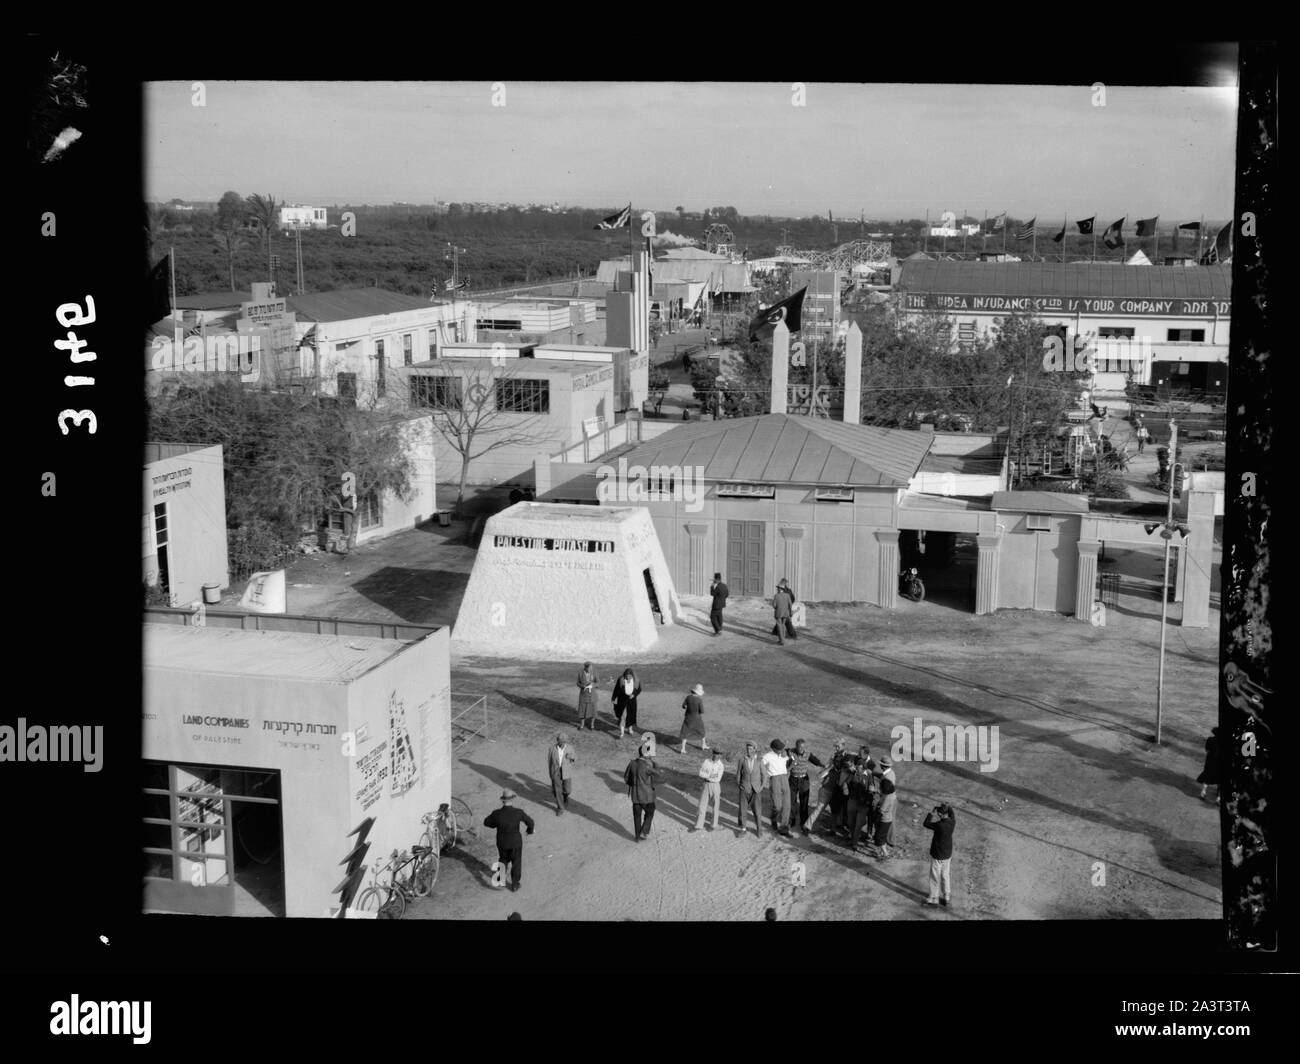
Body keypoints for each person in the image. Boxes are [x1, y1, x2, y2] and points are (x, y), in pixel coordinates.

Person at [483, 790, 535, 893]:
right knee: (516, 863)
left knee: (503, 860)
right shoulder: (518, 812)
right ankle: (515, 884)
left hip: (502, 842)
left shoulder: (497, 814)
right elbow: (531, 822)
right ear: (512, 799)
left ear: (502, 800)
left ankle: (501, 880)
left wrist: (495, 824)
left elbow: (486, 822)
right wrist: (529, 831)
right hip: (515, 842)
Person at [804, 738, 848, 833]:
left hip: (836, 789)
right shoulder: (833, 758)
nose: (836, 748)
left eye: (838, 746)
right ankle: (807, 826)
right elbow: (822, 773)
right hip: (828, 788)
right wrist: (830, 767)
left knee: (835, 810)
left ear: (843, 745)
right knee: (820, 808)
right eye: (835, 746)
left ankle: (833, 829)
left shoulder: (846, 758)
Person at [786, 739, 824, 835]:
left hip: (804, 780)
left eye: (803, 747)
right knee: (792, 801)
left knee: (804, 802)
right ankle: (792, 820)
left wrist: (822, 765)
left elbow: (815, 760)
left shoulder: (807, 754)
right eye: (799, 747)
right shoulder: (791, 752)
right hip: (793, 779)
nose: (801, 749)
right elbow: (784, 750)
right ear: (796, 746)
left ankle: (803, 823)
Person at [923, 802, 957, 908]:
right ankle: (947, 897)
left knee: (934, 876)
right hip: (947, 854)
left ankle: (934, 898)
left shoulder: (939, 825)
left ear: (940, 815)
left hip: (937, 855)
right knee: (945, 875)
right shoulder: (952, 822)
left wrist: (931, 813)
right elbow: (952, 814)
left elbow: (926, 823)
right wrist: (946, 807)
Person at [623, 747, 658, 841]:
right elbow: (659, 777)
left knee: (637, 816)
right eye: (649, 753)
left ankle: (637, 837)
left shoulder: (632, 763)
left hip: (635, 795)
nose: (651, 754)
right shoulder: (648, 765)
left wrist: (634, 784)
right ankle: (644, 831)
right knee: (650, 811)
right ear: (645, 754)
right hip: (647, 796)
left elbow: (626, 778)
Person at [762, 740, 793, 837]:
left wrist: (789, 755)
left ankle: (784, 829)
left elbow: (793, 759)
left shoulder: (784, 754)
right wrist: (764, 775)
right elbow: (760, 764)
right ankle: (774, 818)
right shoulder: (767, 756)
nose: (781, 750)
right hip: (774, 779)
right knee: (777, 806)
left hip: (784, 778)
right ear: (774, 749)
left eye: (782, 748)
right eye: (780, 749)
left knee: (787, 806)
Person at [844, 756, 873, 852]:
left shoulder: (869, 776)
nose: (858, 769)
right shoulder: (853, 774)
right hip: (852, 801)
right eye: (857, 767)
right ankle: (853, 839)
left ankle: (854, 843)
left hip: (863, 804)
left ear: (864, 768)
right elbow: (846, 783)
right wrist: (845, 788)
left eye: (860, 768)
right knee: (851, 822)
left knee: (858, 824)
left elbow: (871, 789)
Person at [736, 741, 765, 837]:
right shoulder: (742, 760)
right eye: (747, 748)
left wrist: (761, 787)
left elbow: (764, 775)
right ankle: (743, 829)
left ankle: (759, 829)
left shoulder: (759, 761)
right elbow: (739, 772)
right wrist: (738, 784)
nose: (748, 750)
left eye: (751, 749)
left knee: (757, 810)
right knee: (743, 810)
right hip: (744, 788)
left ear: (754, 749)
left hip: (756, 790)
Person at [694, 747, 725, 831]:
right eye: (716, 753)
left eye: (719, 754)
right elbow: (700, 773)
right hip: (706, 784)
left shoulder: (721, 765)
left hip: (715, 786)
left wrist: (707, 774)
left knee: (715, 806)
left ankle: (713, 825)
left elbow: (717, 778)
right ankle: (698, 825)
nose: (717, 756)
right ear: (713, 753)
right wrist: (710, 775)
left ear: (721, 755)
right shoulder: (706, 761)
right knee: (702, 805)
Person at [546, 731, 576, 816]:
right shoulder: (552, 749)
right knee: (557, 790)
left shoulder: (570, 748)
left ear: (565, 741)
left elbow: (575, 758)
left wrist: (571, 757)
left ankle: (565, 797)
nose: (561, 743)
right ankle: (560, 807)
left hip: (566, 772)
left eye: (562, 741)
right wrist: (551, 774)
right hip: (556, 771)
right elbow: (549, 762)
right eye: (559, 741)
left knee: (567, 790)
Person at [873, 757, 897, 858]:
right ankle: (885, 844)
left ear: (883, 766)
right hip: (888, 802)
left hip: (886, 808)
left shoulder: (888, 778)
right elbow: (882, 776)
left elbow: (882, 809)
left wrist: (876, 791)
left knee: (883, 829)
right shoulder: (889, 773)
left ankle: (889, 841)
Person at [611, 668, 642, 739]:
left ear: (632, 676)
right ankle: (622, 733)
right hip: (622, 701)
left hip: (632, 702)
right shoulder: (621, 680)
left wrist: (634, 694)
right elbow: (616, 689)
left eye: (630, 676)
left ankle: (630, 729)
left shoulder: (636, 680)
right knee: (622, 716)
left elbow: (639, 690)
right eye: (627, 676)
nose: (628, 677)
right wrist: (613, 698)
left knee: (631, 715)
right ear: (625, 675)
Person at [679, 683, 708, 754]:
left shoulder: (688, 697)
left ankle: (683, 748)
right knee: (701, 731)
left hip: (688, 718)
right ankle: (703, 745)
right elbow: (702, 711)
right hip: (697, 719)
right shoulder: (699, 700)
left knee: (685, 732)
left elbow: (683, 706)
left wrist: (688, 708)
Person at [1197, 726, 1221, 800]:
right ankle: (1218, 798)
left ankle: (1203, 793)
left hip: (1210, 762)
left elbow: (1207, 750)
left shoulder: (1210, 740)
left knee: (1207, 777)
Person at [575, 662, 599, 731]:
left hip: (592, 695)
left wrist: (592, 685)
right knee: (582, 710)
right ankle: (582, 725)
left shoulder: (594, 672)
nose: (591, 669)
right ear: (585, 667)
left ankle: (592, 725)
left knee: (593, 711)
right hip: (583, 695)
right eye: (589, 668)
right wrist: (583, 686)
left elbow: (598, 683)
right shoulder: (580, 673)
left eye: (591, 668)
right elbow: (577, 683)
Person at [771, 581, 795, 645]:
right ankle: (783, 639)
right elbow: (790, 604)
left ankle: (782, 641)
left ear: (779, 589)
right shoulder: (787, 595)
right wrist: (790, 611)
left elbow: (774, 605)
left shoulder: (776, 596)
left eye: (778, 588)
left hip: (778, 613)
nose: (777, 589)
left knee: (779, 626)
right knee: (783, 625)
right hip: (785, 613)